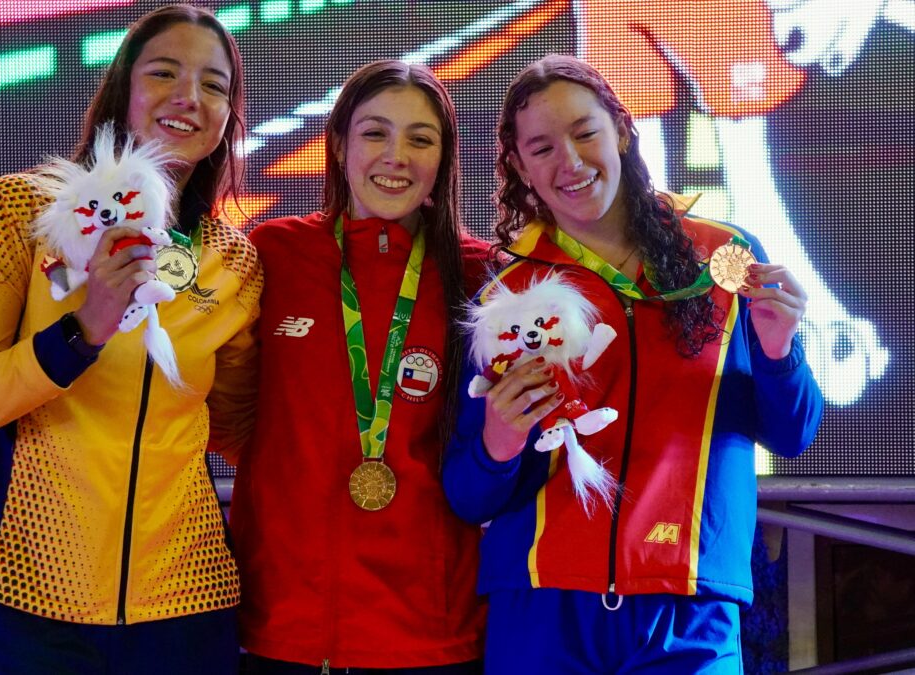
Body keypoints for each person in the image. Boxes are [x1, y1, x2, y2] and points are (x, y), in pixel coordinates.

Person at [442, 54, 824, 674]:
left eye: (585, 132)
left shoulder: (724, 257)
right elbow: (468, 495)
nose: (569, 161)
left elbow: (791, 434)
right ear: (518, 167)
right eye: (541, 147)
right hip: (541, 603)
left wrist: (778, 351)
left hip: (690, 604)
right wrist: (500, 439)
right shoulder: (502, 294)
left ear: (621, 129)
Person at [0, 6, 260, 672]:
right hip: (32, 595)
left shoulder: (236, 261)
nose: (189, 98)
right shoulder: (18, 209)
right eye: (164, 72)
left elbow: (235, 425)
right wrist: (84, 330)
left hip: (186, 603)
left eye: (214, 85)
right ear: (121, 89)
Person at [230, 60, 489, 674]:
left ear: (443, 160)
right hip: (282, 624)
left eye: (420, 139)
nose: (395, 156)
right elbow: (222, 410)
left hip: (432, 632)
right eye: (375, 133)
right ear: (340, 144)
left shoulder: (483, 276)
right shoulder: (273, 253)